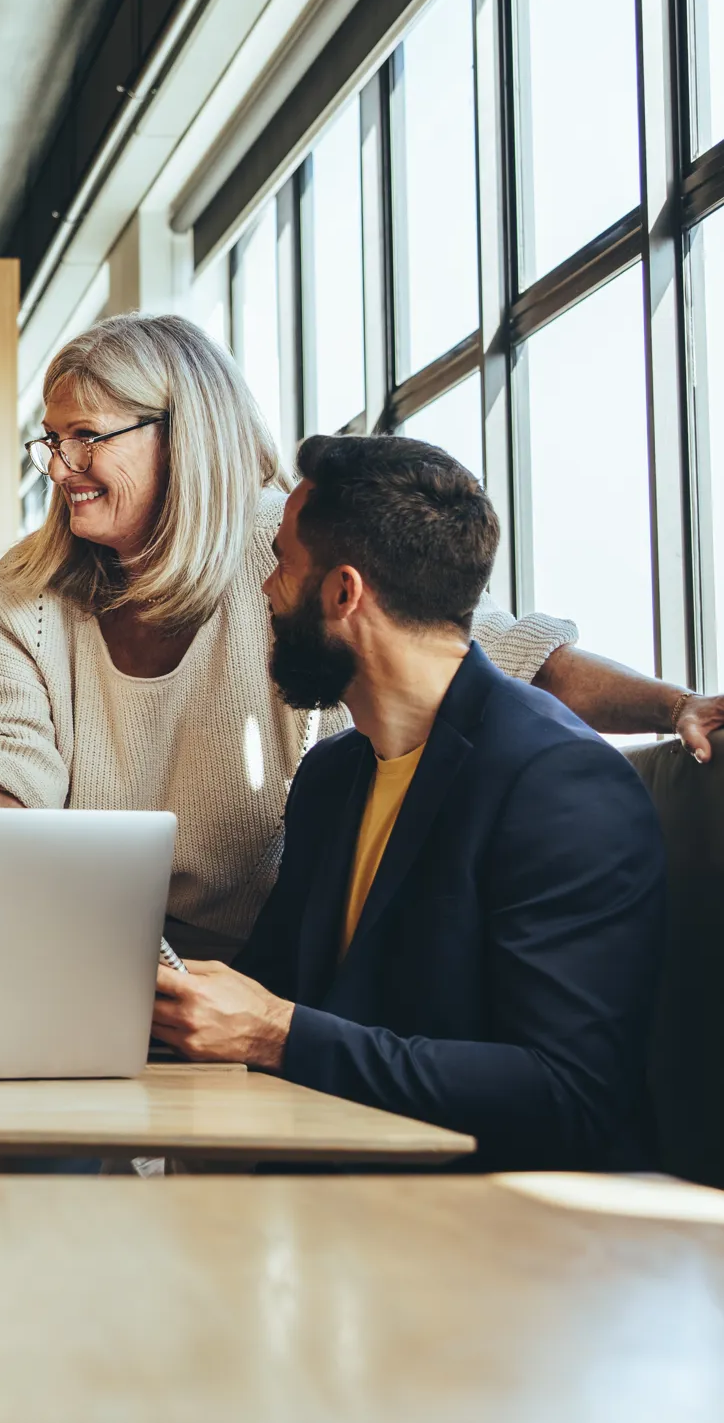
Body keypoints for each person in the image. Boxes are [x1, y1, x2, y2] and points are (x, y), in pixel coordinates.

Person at [0, 314, 719, 960]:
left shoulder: (284, 548)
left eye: (86, 436)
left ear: (180, 437)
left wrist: (675, 704)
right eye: (50, 440)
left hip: (274, 960)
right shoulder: (31, 588)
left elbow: (488, 654)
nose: (60, 468)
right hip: (87, 944)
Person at [151, 435, 664, 1171]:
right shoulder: (333, 778)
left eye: (283, 564)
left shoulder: (564, 785)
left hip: (521, 1241)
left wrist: (277, 1032)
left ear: (343, 593)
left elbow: (568, 1093)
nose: (265, 588)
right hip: (342, 1212)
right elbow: (271, 992)